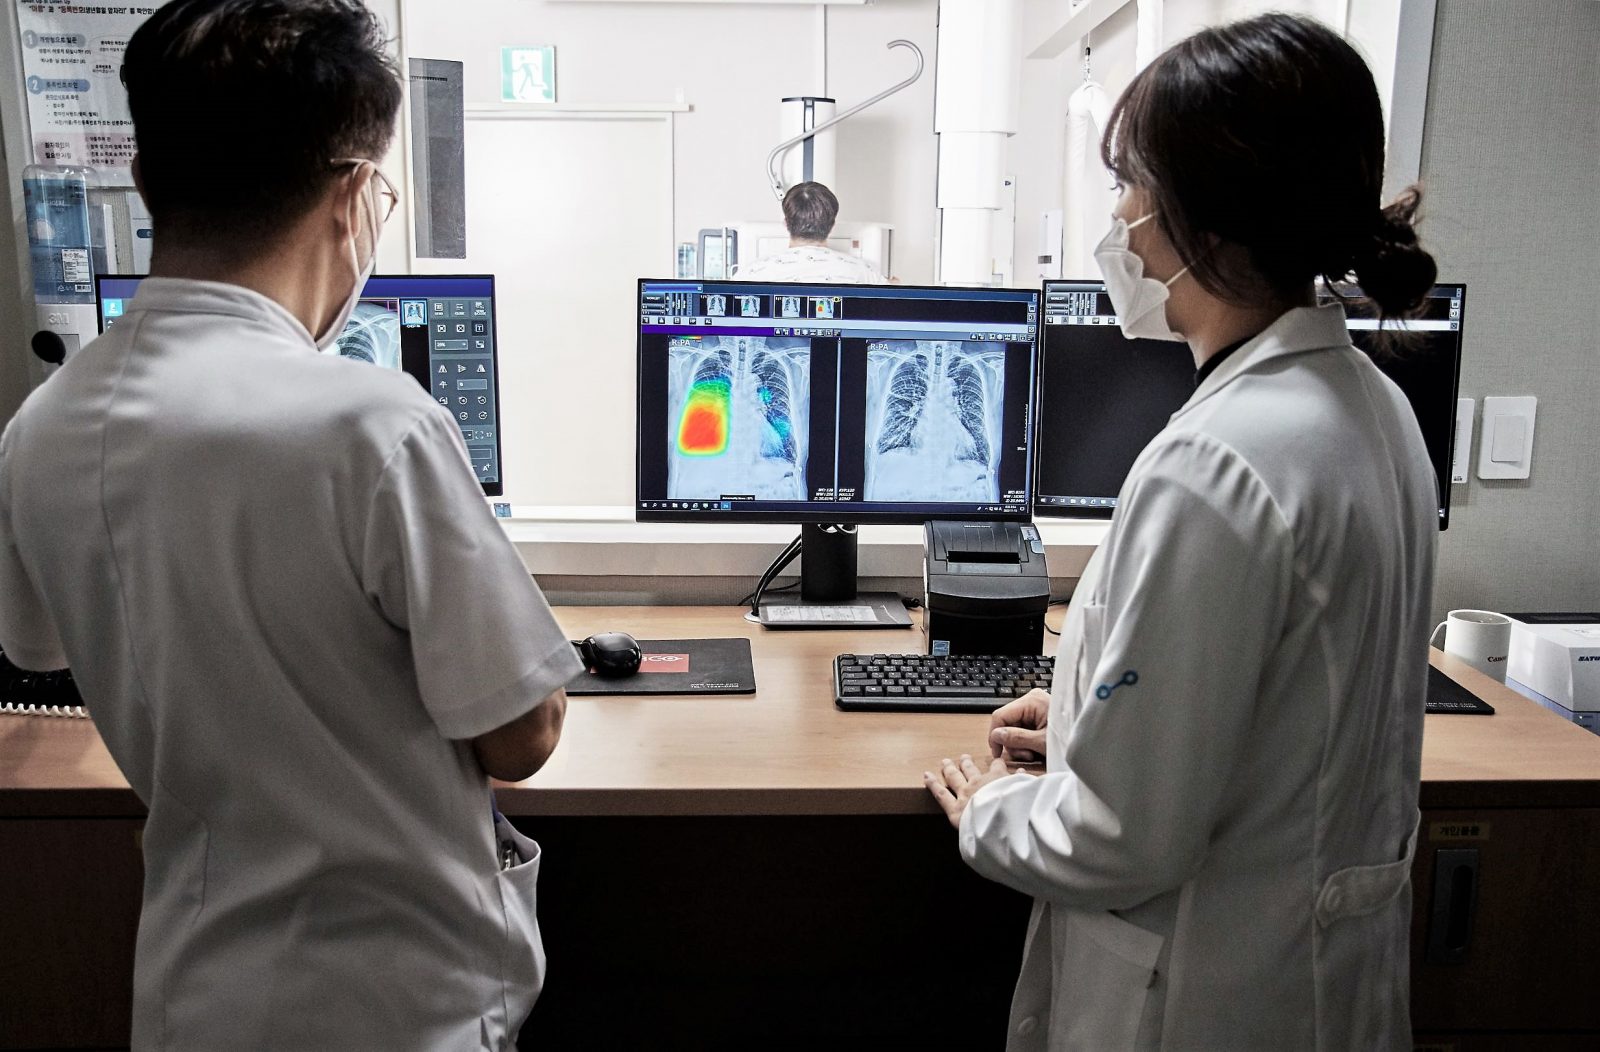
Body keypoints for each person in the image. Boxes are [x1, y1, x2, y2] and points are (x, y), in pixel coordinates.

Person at [0, 1, 581, 1048]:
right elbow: (524, 731)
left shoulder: (41, 425)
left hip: (192, 990)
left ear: (143, 181)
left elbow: (46, 651)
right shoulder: (371, 423)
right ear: (354, 194)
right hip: (396, 1001)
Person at [925, 14, 1439, 1050]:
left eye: (1131, 185)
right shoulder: (1371, 407)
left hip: (1204, 991)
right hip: (1315, 973)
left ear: (1202, 213)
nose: (1118, 218)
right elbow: (1281, 699)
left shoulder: (1218, 460)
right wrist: (1082, 706)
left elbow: (1120, 839)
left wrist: (987, 805)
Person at [734, 181, 888, 283]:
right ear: (832, 224)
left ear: (786, 223)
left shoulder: (752, 273)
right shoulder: (866, 275)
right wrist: (892, 287)